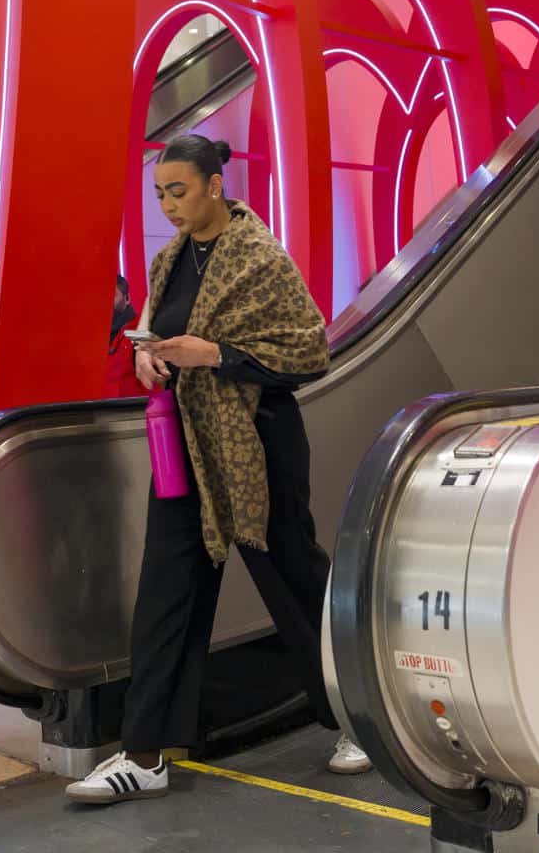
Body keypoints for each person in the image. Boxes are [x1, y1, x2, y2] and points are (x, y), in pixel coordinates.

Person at [66, 135, 366, 805]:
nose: (170, 205)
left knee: (294, 582)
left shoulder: (260, 258)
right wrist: (151, 357)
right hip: (186, 444)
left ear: (214, 184)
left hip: (257, 444)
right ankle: (144, 753)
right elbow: (156, 331)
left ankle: (363, 720)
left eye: (180, 190)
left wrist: (218, 355)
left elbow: (307, 350)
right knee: (166, 591)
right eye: (160, 194)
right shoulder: (170, 259)